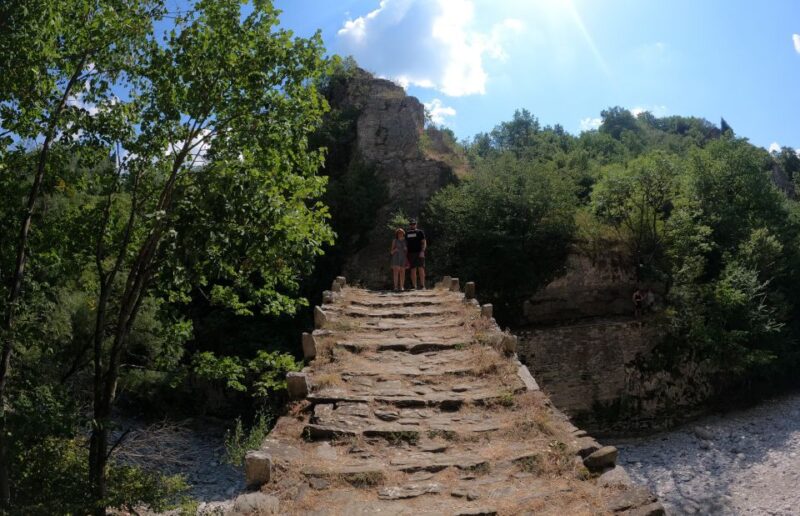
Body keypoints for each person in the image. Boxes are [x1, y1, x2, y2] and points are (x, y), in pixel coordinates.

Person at [405, 218, 426, 289]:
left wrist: (422, 251)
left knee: (421, 268)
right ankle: (414, 286)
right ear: (409, 225)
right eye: (411, 224)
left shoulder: (420, 232)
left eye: (414, 224)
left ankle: (422, 285)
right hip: (410, 253)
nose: (412, 225)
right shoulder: (407, 233)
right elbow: (405, 244)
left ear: (416, 224)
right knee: (413, 269)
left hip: (419, 252)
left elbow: (423, 242)